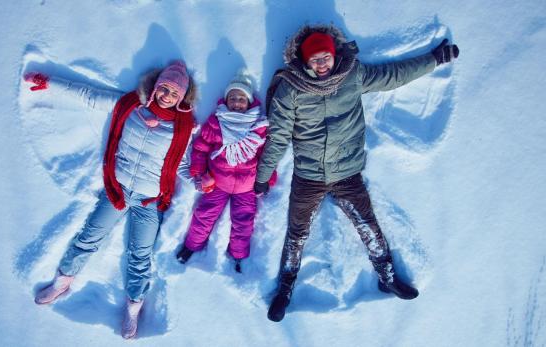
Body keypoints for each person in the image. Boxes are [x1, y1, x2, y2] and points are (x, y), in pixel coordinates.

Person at [254, 25, 459, 322]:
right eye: (315, 60)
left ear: (334, 55)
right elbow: (279, 136)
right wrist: (263, 176)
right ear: (305, 61)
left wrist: (434, 59)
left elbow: (393, 75)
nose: (322, 63)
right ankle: (285, 289)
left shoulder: (351, 74)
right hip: (308, 176)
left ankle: (387, 276)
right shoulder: (291, 88)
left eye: (325, 57)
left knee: (367, 225)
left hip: (347, 172)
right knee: (297, 232)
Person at [23, 61, 196, 339]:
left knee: (140, 256)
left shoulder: (183, 127)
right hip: (117, 190)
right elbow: (88, 95)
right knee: (89, 237)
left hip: (148, 200)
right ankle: (62, 281)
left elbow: (182, 164)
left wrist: (201, 180)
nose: (167, 96)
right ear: (155, 87)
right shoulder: (130, 105)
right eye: (164, 88)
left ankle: (133, 308)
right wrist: (49, 83)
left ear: (182, 98)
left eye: (174, 93)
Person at [175, 70, 276, 273]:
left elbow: (267, 155)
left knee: (243, 221)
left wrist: (268, 178)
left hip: (247, 186)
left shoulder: (258, 126)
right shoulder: (216, 122)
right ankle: (191, 246)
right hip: (217, 182)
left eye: (241, 99)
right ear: (226, 101)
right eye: (233, 98)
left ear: (248, 102)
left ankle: (238, 255)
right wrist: (198, 170)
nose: (237, 102)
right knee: (204, 215)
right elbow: (201, 147)